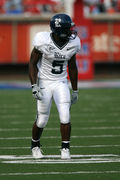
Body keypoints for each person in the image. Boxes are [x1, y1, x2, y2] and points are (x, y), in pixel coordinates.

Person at [29, 13, 81, 160]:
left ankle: (65, 149)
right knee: (42, 119)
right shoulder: (43, 41)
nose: (72, 32)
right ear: (59, 31)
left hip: (61, 82)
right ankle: (35, 145)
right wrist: (34, 85)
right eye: (68, 29)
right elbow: (32, 63)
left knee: (65, 115)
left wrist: (75, 89)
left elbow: (72, 67)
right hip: (44, 81)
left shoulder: (73, 43)